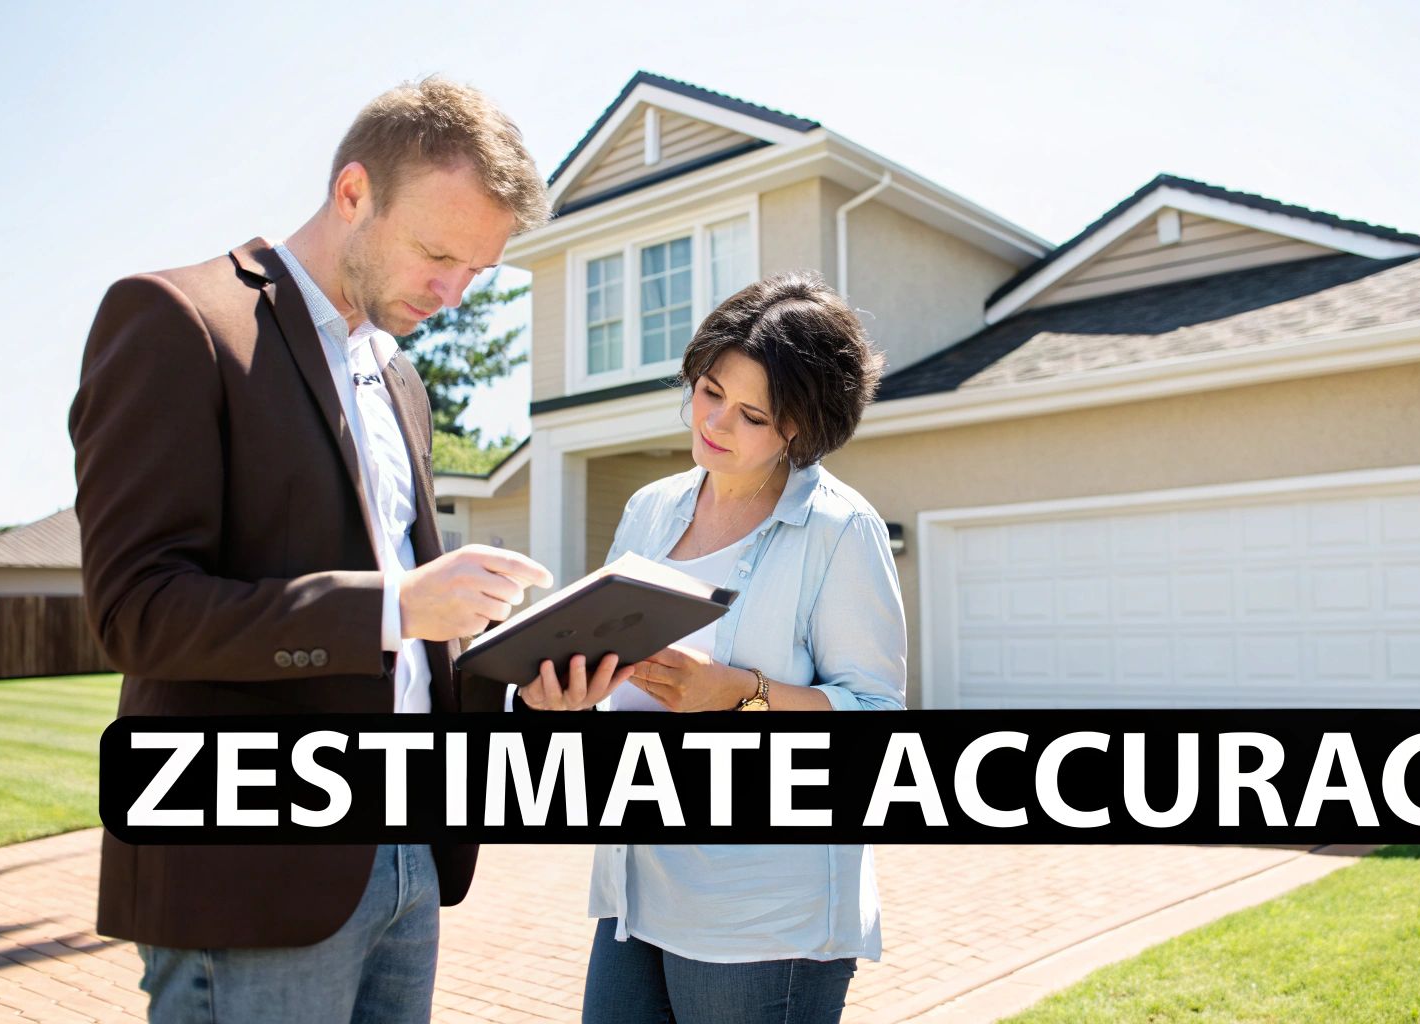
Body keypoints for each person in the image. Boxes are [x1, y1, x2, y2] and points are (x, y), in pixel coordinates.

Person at [69, 76, 628, 1023]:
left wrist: (522, 681)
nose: (452, 293)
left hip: (409, 855)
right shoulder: (177, 321)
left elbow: (413, 653)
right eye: (437, 253)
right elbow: (138, 611)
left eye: (478, 272)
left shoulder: (397, 375)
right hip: (253, 870)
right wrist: (393, 605)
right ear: (354, 193)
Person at [520, 272, 906, 1024]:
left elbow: (876, 717)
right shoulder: (649, 508)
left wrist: (737, 692)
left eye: (753, 414)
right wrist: (566, 692)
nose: (717, 423)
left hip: (763, 914)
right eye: (709, 390)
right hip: (637, 891)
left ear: (801, 427)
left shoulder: (839, 531)